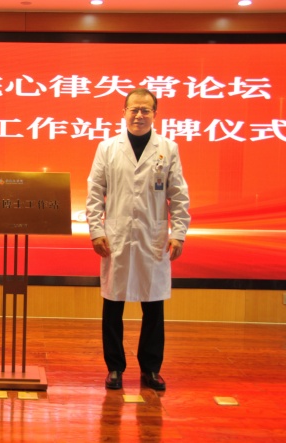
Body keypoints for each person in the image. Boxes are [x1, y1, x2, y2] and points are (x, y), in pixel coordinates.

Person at [86, 88, 190, 391]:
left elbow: (178, 194)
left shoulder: (168, 148)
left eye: (146, 110)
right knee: (113, 304)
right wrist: (96, 231)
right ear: (124, 112)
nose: (139, 115)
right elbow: (95, 192)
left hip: (152, 236)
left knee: (153, 306)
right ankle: (115, 368)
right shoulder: (107, 148)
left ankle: (151, 369)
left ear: (155, 114)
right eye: (134, 109)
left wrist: (178, 233)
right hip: (116, 236)